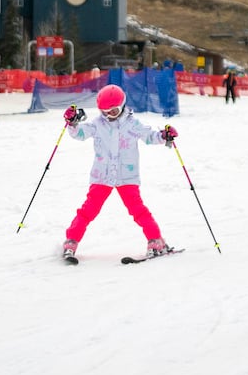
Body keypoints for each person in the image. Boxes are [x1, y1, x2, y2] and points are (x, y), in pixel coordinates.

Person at [60, 84, 178, 261]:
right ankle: (71, 241)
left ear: (122, 106)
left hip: (126, 175)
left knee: (138, 210)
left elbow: (149, 136)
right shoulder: (97, 124)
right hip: (102, 176)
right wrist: (73, 124)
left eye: (113, 111)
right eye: (105, 112)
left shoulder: (132, 124)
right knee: (88, 210)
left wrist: (164, 136)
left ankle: (156, 240)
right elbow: (80, 134)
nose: (109, 116)